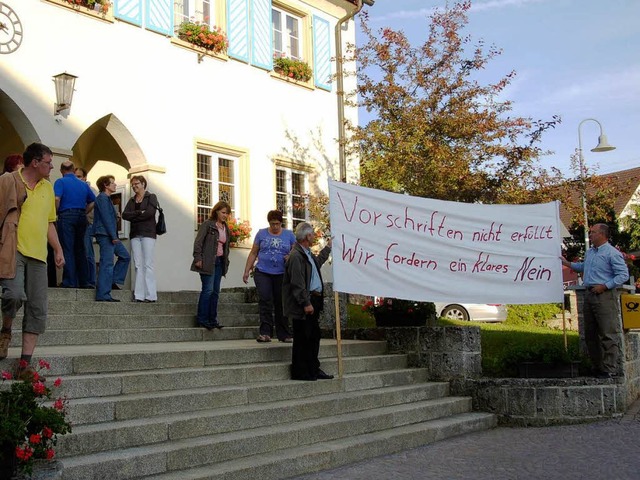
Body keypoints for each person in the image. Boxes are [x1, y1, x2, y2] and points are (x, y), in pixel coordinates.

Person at [0, 143, 65, 380]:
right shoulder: (9, 180)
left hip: (39, 256)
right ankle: (6, 330)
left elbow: (49, 223)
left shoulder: (48, 188)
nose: (51, 166)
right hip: (13, 249)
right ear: (35, 162)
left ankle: (24, 364)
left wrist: (57, 249)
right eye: (48, 162)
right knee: (13, 295)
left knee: (37, 309)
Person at [562, 223, 629, 379]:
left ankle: (609, 368)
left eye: (593, 232)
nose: (590, 235)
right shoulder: (591, 252)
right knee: (590, 333)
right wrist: (567, 264)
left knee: (607, 332)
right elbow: (584, 267)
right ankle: (597, 366)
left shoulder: (612, 253)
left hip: (604, 295)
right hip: (589, 294)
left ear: (602, 234)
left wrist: (605, 286)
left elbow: (623, 274)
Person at [282, 222, 333, 381]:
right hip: (305, 302)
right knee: (303, 336)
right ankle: (301, 371)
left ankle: (313, 368)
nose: (314, 237)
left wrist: (328, 248)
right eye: (312, 234)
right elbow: (297, 283)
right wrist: (305, 303)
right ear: (307, 236)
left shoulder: (307, 253)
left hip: (314, 300)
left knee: (313, 336)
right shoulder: (296, 256)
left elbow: (316, 264)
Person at [243, 210, 296, 343]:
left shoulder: (289, 235)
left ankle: (283, 333)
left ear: (281, 223)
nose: (275, 227)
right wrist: (246, 270)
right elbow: (254, 252)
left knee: (281, 302)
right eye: (272, 224)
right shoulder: (261, 234)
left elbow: (296, 251)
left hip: (281, 273)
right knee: (265, 299)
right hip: (263, 272)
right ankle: (265, 332)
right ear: (269, 223)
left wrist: (290, 256)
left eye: (277, 224)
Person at [54, 161, 95, 288]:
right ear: (73, 169)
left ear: (61, 171)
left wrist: (56, 212)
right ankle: (84, 281)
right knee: (80, 249)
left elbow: (56, 198)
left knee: (68, 248)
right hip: (81, 216)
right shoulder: (83, 184)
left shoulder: (60, 182)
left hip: (66, 215)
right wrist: (84, 211)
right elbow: (93, 200)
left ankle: (70, 281)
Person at [190, 201, 231, 330]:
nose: (225, 215)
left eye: (227, 213)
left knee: (215, 292)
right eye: (223, 212)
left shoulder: (226, 228)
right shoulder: (208, 225)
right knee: (207, 290)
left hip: (219, 262)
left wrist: (226, 262)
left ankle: (212, 319)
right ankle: (202, 319)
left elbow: (226, 247)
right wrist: (198, 257)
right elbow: (198, 242)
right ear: (217, 211)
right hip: (207, 261)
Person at [93, 175, 130, 302]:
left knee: (125, 256)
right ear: (105, 185)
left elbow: (108, 217)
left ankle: (112, 281)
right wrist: (114, 236)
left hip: (109, 235)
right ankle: (103, 294)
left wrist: (116, 216)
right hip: (106, 235)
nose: (115, 185)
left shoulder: (107, 199)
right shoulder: (102, 198)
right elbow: (106, 218)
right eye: (112, 183)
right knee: (107, 263)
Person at [122, 175, 158, 303]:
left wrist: (135, 216)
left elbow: (150, 213)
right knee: (138, 264)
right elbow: (125, 215)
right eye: (132, 184)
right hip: (135, 234)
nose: (134, 186)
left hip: (148, 233)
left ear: (143, 184)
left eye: (136, 183)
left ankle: (151, 295)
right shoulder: (132, 200)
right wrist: (139, 213)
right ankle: (139, 295)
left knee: (148, 264)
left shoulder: (151, 197)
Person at [75, 167, 97, 287]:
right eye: (75, 176)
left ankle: (91, 281)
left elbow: (94, 204)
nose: (77, 179)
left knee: (88, 253)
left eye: (79, 176)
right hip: (76, 224)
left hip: (87, 224)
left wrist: (83, 212)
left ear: (84, 177)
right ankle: (80, 280)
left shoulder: (91, 190)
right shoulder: (74, 188)